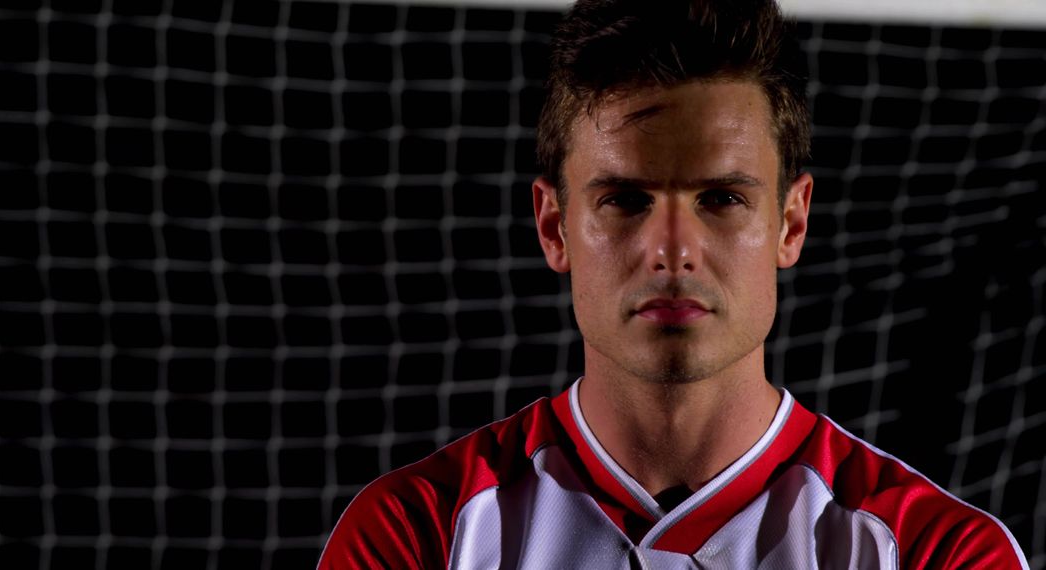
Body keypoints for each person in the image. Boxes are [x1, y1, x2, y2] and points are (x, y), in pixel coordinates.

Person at [319, 0, 1029, 567]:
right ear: (553, 227)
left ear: (790, 223)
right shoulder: (416, 536)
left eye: (721, 199)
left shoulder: (939, 552)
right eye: (625, 200)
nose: (671, 249)